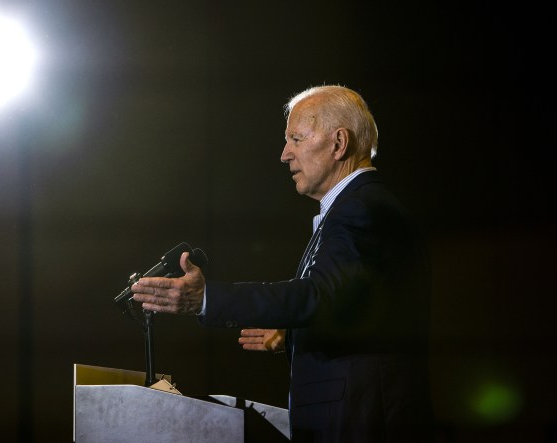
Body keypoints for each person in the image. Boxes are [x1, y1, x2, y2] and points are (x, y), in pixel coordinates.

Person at [131, 84, 434, 442]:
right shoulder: (361, 206)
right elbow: (358, 305)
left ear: (339, 144)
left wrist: (207, 299)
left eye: (296, 139)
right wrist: (295, 333)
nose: (284, 154)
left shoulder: (361, 208)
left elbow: (321, 295)